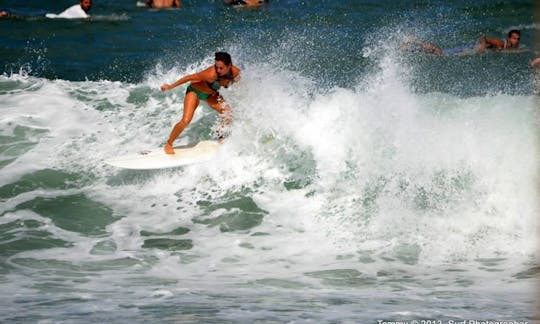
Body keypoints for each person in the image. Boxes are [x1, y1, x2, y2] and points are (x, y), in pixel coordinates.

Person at [160, 52, 240, 154]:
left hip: (211, 95)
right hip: (195, 92)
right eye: (217, 67)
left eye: (221, 68)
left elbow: (237, 82)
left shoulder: (235, 73)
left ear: (229, 66)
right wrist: (170, 86)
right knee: (186, 120)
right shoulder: (210, 74)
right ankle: (169, 143)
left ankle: (221, 138)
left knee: (227, 113)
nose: (218, 70)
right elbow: (189, 77)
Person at [402, 29, 522, 56]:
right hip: (471, 48)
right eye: (514, 38)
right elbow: (484, 37)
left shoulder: (510, 46)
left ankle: (409, 49)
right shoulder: (501, 42)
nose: (515, 40)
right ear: (509, 37)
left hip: (471, 48)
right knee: (441, 53)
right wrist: (482, 46)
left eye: (517, 39)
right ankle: (413, 41)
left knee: (436, 54)